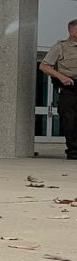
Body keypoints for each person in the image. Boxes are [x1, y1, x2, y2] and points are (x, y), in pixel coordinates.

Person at [40, 18, 77, 159]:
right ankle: (73, 150)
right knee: (70, 119)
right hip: (69, 87)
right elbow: (43, 66)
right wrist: (61, 77)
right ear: (72, 31)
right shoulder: (60, 47)